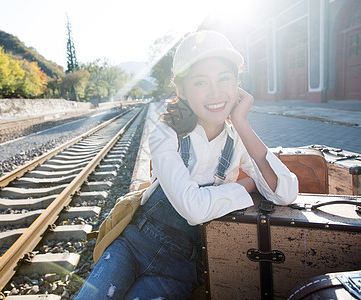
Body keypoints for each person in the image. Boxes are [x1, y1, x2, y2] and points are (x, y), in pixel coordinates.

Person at [75, 30, 298, 300]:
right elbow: (193, 209)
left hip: (180, 266)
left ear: (237, 84)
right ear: (181, 90)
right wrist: (246, 185)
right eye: (201, 82)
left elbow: (285, 192)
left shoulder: (237, 139)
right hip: (133, 245)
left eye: (224, 78)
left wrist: (241, 123)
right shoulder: (167, 133)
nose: (216, 92)